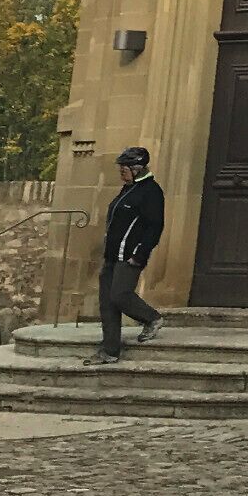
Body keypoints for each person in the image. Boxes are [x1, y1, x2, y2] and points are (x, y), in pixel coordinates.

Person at [91, 146, 166, 365]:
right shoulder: (127, 189)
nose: (120, 172)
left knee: (120, 295)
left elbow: (155, 226)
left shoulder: (151, 191)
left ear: (137, 168)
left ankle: (152, 318)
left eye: (124, 168)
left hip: (130, 256)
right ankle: (110, 350)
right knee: (107, 303)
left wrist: (140, 254)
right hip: (112, 256)